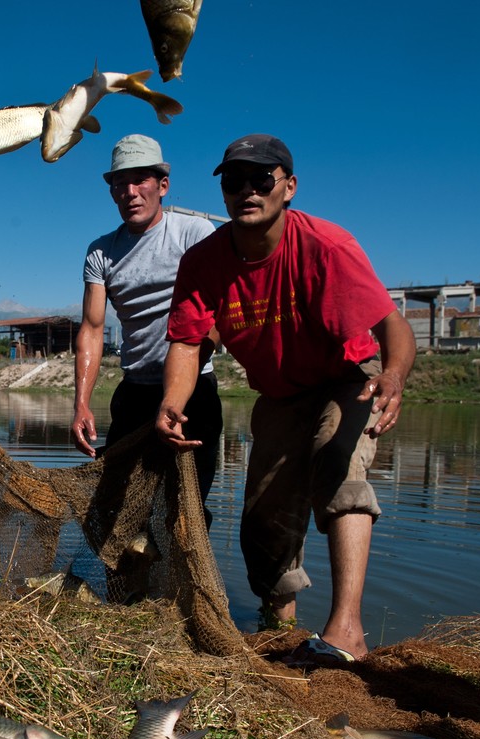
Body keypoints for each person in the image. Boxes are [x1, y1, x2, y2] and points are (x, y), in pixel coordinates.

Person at [156, 134, 416, 664]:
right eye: (234, 182)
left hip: (347, 379)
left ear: (288, 187)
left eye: (262, 179)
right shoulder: (204, 261)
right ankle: (279, 628)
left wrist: (393, 376)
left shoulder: (326, 245)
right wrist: (172, 401)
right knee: (262, 522)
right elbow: (187, 340)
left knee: (338, 467)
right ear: (224, 194)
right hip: (277, 395)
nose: (247, 191)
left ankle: (347, 633)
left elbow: (392, 324)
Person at [72, 134, 221, 510]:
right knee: (117, 510)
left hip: (194, 394)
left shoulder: (194, 234)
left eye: (141, 180)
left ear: (163, 186)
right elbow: (91, 329)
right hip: (135, 392)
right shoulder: (102, 251)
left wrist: (177, 394)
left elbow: (216, 319)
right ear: (112, 192)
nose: (130, 192)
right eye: (120, 183)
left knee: (184, 510)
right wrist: (82, 404)